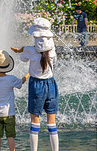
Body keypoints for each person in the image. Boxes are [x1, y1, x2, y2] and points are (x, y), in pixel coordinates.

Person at [11, 18, 59, 151]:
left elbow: (23, 57)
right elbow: (48, 49)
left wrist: (20, 50)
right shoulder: (52, 51)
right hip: (51, 85)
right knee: (52, 123)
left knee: (35, 121)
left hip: (36, 85)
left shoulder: (29, 50)